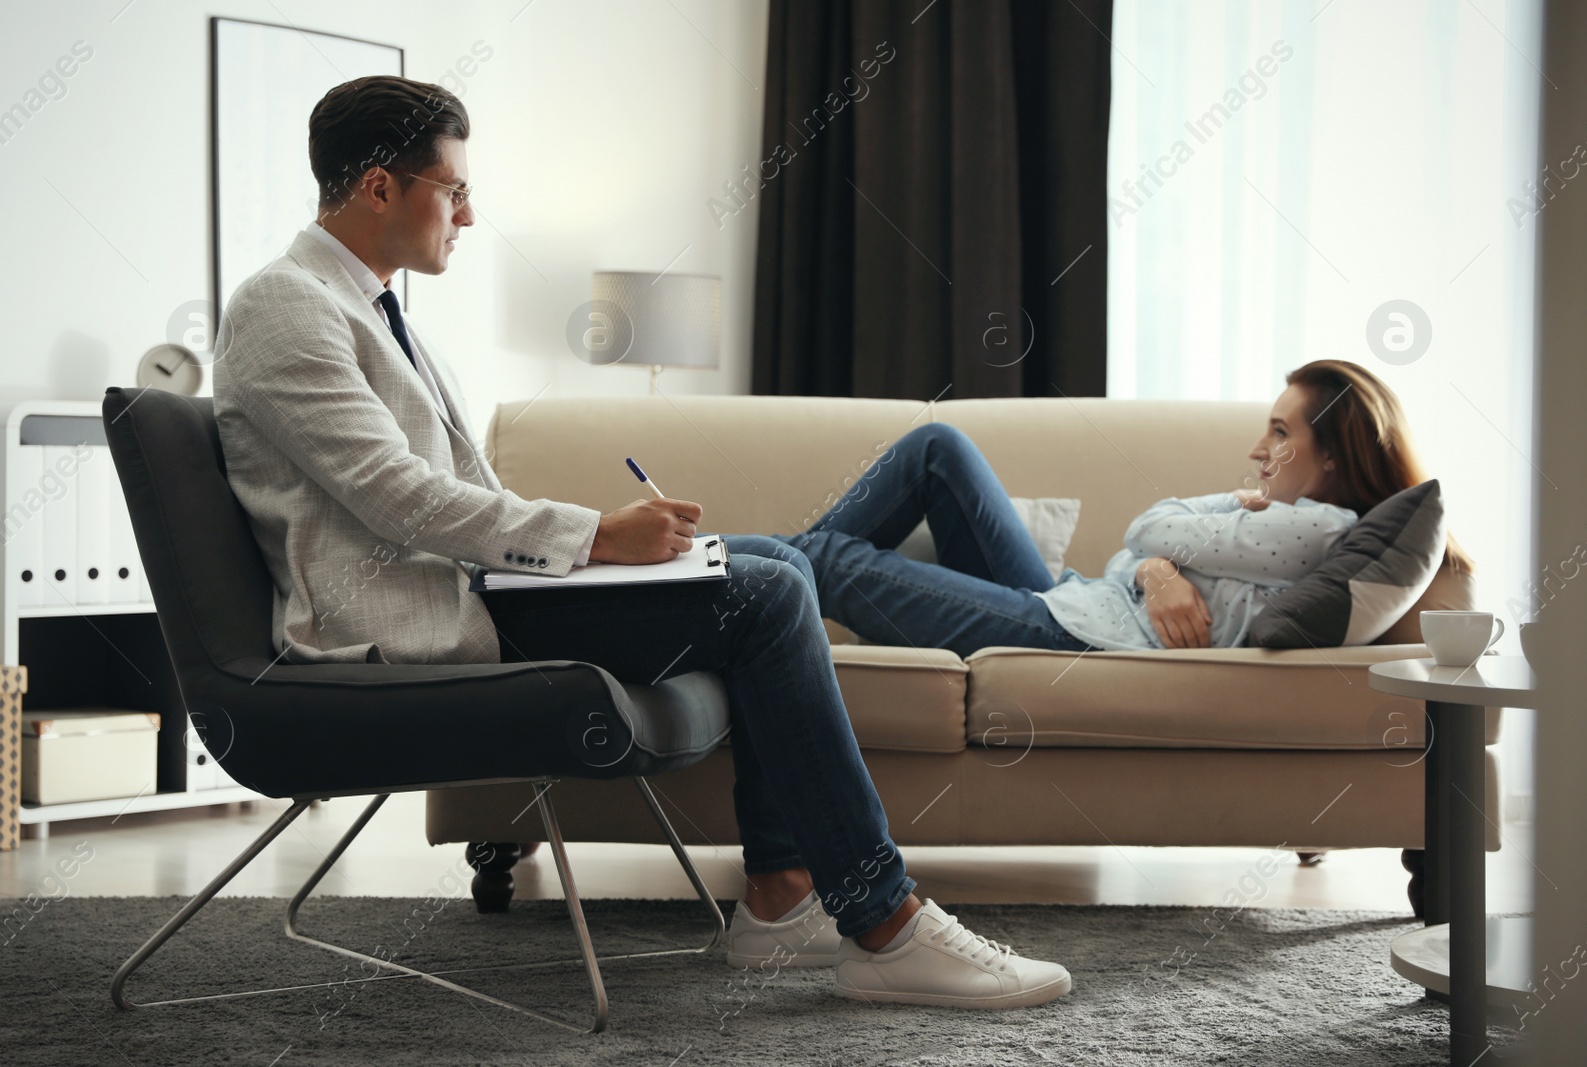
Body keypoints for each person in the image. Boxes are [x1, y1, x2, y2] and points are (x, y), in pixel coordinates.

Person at [211, 74, 1070, 1011]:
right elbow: (397, 499)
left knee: (780, 564)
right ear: (379, 187)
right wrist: (593, 539)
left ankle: (782, 894)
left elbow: (461, 497)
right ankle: (883, 920)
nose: (468, 211)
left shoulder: (376, 309)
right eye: (453, 188)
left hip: (478, 592)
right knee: (771, 594)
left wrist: (606, 546)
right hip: (407, 631)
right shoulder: (286, 307)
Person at [774, 360, 1470, 655]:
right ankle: (721, 580)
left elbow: (1146, 526)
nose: (1259, 448)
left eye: (1282, 433)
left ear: (1335, 459)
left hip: (1076, 637)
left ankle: (705, 572)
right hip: (1080, 602)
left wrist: (1156, 556)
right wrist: (1156, 574)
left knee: (833, 560)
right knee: (938, 449)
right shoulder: (1268, 519)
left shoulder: (1318, 529)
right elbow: (1133, 549)